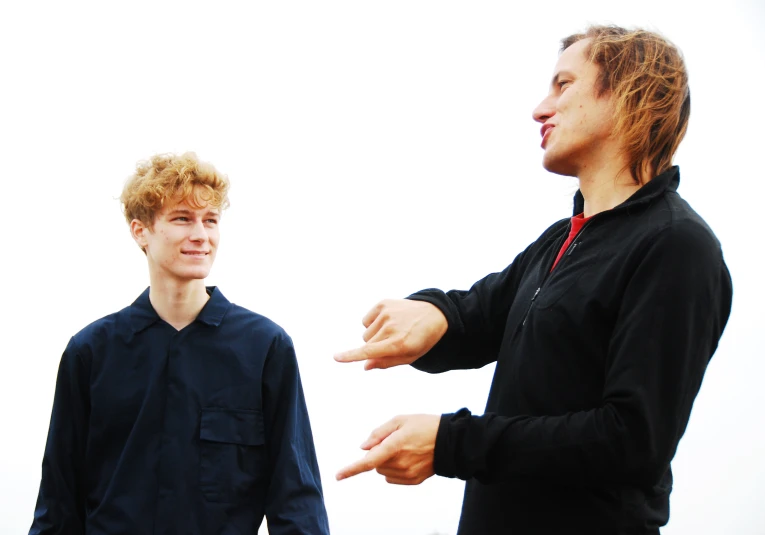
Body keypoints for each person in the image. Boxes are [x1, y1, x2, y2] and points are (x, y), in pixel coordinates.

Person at [334, 25, 733, 534]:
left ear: (629, 95)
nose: (540, 109)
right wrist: (431, 313)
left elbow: (632, 441)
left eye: (563, 85)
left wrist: (449, 444)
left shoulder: (677, 246)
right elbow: (478, 315)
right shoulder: (561, 239)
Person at [29, 152, 329, 535]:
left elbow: (296, 500)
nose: (201, 235)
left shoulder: (265, 347)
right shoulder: (90, 352)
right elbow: (58, 502)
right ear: (141, 231)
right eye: (182, 218)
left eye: (210, 221)